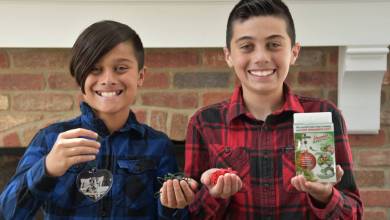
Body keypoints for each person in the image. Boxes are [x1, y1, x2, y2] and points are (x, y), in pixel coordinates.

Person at [183, 0, 363, 219]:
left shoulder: (324, 115)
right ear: (228, 55)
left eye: (274, 45)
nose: (261, 58)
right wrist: (214, 196)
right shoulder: (204, 122)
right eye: (247, 46)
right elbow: (190, 214)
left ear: (294, 52)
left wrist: (325, 196)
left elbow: (353, 214)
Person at [0, 20, 190, 219]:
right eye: (95, 69)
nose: (108, 79)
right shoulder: (50, 140)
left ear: (141, 76)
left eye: (120, 68)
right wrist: (47, 167)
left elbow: (175, 215)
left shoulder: (159, 145)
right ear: (80, 77)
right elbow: (7, 213)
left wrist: (173, 206)